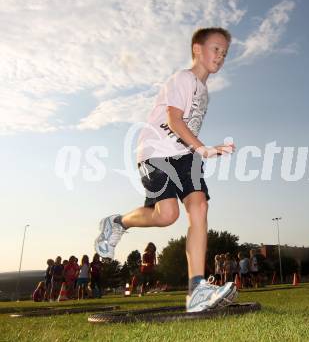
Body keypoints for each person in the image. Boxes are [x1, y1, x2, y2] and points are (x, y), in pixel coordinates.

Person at [94, 27, 237, 312]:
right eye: (215, 49)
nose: (220, 56)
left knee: (199, 207)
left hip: (185, 155)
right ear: (197, 49)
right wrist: (203, 148)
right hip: (157, 151)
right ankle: (117, 223)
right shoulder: (183, 78)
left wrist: (196, 150)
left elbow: (187, 127)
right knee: (167, 215)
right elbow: (174, 120)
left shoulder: (204, 92)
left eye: (224, 52)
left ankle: (197, 288)